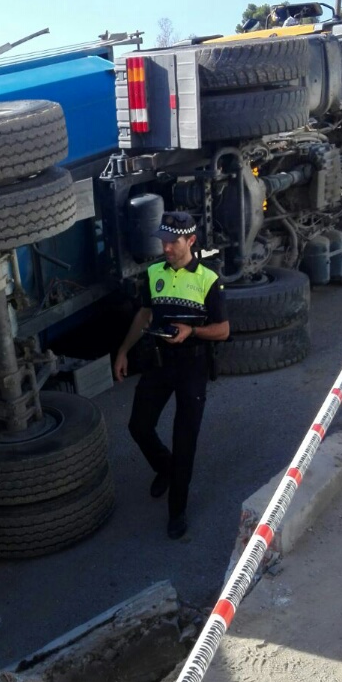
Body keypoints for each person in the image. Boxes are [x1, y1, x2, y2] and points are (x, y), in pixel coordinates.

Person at [113, 212, 230, 540]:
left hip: (192, 366)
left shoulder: (208, 278)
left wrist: (191, 330)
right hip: (159, 362)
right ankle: (165, 468)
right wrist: (123, 351)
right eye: (162, 241)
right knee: (138, 426)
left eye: (172, 242)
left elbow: (223, 330)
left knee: (185, 440)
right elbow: (145, 314)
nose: (165, 247)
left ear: (190, 241)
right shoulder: (153, 273)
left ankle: (177, 511)